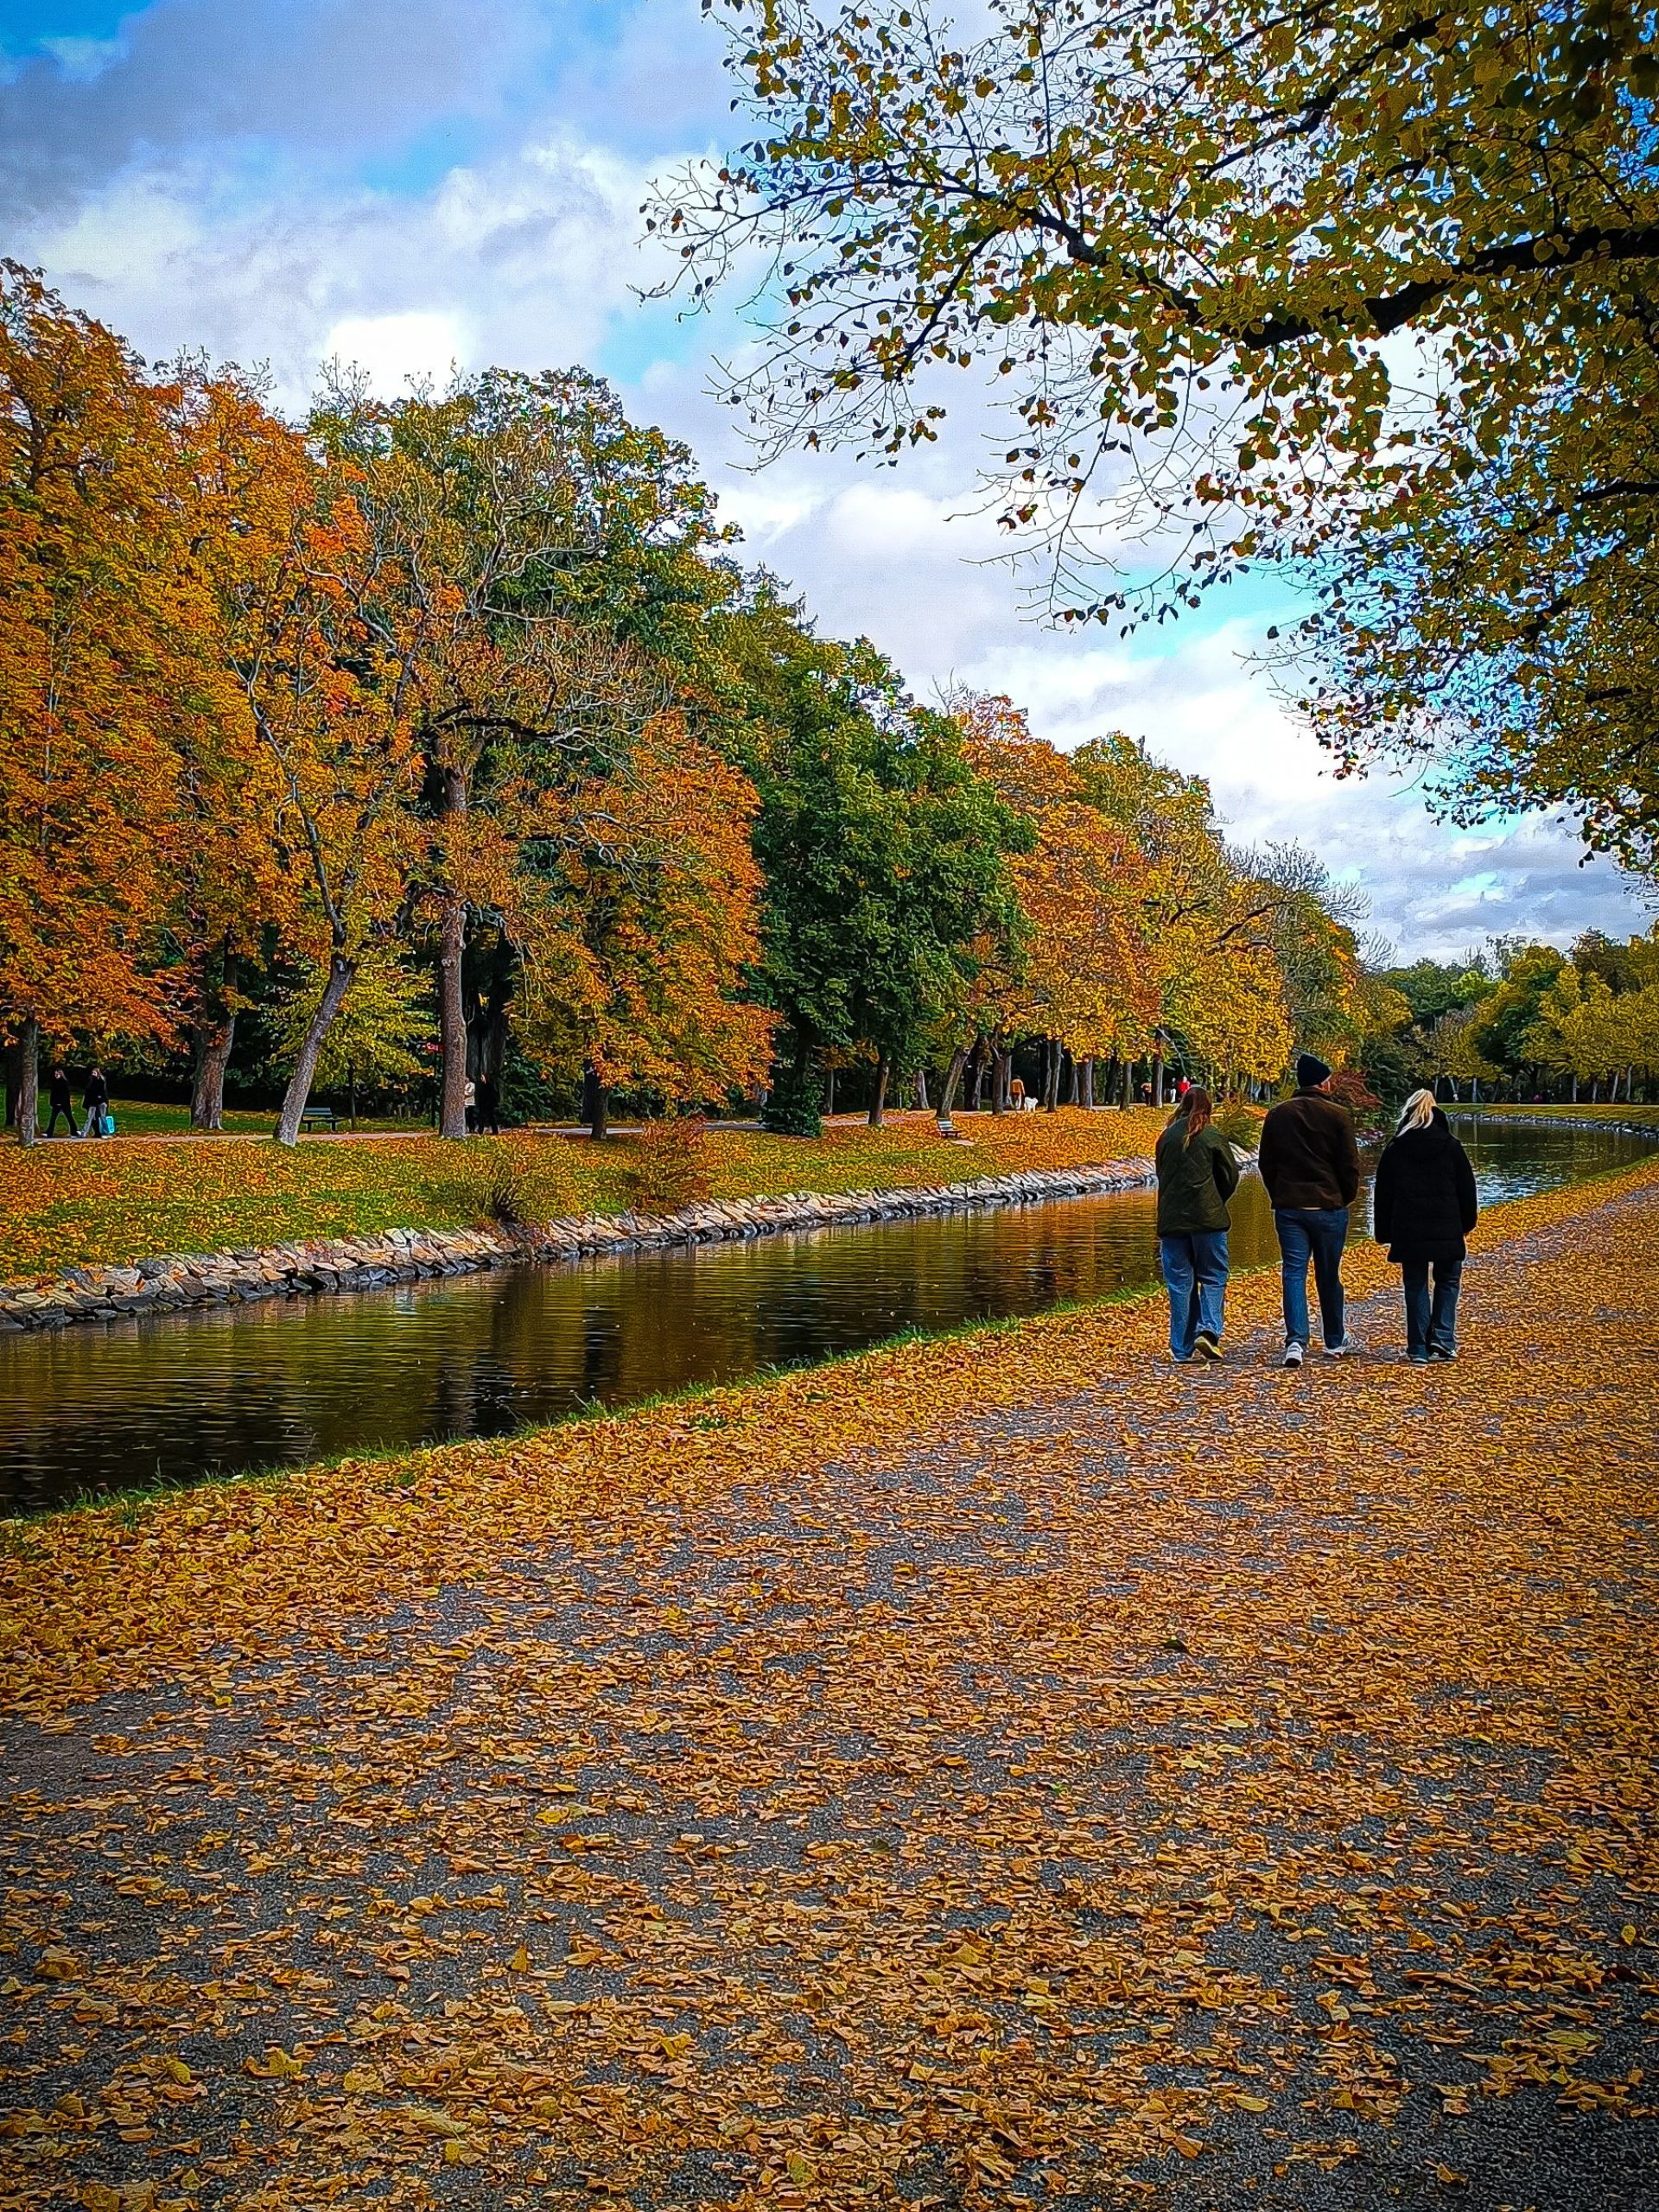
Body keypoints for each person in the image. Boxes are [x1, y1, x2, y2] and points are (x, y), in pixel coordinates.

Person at [1259, 1052, 1362, 1368]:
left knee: (1293, 1273)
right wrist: (1344, 1197)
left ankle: (1296, 1341)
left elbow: (1266, 1163)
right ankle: (1334, 1339)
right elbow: (1349, 1165)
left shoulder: (1277, 1115)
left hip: (1290, 1206)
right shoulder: (1338, 1115)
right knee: (1329, 1274)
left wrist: (1279, 1193)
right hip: (1328, 1205)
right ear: (1322, 1083)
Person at [1371, 1088, 1478, 1363]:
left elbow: (1383, 1195)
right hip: (1447, 1226)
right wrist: (1466, 1224)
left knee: (1415, 1284)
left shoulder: (1396, 1148)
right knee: (1448, 1280)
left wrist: (1383, 1232)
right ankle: (1442, 1338)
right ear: (1436, 1112)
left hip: (1409, 1228)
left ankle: (1418, 1346)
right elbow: (1468, 1191)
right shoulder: (1451, 1146)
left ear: (1408, 1112)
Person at [1154, 1086, 1240, 1363]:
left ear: (1182, 1105)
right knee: (1213, 1276)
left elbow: (1161, 1175)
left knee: (1180, 1283)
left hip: (1173, 1222)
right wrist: (1216, 1199)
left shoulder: (1166, 1137)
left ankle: (1181, 1348)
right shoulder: (1212, 1135)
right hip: (1208, 1221)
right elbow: (1230, 1175)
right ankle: (1208, 1330)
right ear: (1208, 1107)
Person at [45, 1065, 76, 1138]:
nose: (56, 1075)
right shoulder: (55, 1082)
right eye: (55, 1074)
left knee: (69, 1118)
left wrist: (61, 1103)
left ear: (61, 1074)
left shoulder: (64, 1082)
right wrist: (52, 1103)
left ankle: (74, 1132)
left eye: (57, 1074)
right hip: (56, 1104)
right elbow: (53, 1094)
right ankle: (49, 1133)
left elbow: (66, 1095)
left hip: (64, 1104)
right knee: (53, 1119)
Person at [81, 1065, 109, 1140]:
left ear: (98, 1074)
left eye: (94, 1073)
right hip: (93, 1102)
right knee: (90, 1117)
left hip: (101, 1102)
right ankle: (84, 1132)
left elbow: (103, 1093)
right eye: (92, 1073)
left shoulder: (101, 1081)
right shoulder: (91, 1082)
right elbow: (88, 1093)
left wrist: (104, 1101)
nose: (93, 1074)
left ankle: (104, 1133)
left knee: (103, 1118)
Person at [475, 1072, 501, 1136]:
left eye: (482, 1077)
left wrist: (490, 1103)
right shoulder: (481, 1085)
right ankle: (480, 1131)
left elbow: (492, 1095)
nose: (481, 1078)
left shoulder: (489, 1085)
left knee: (491, 1118)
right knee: (482, 1118)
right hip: (482, 1105)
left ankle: (495, 1130)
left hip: (489, 1105)